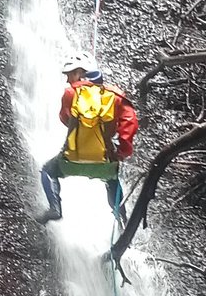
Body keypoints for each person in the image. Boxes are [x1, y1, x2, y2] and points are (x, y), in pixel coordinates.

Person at [38, 54, 139, 224]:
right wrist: (122, 152)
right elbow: (130, 123)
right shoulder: (116, 95)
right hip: (104, 160)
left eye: (69, 74)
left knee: (48, 171)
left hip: (71, 160)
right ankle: (122, 219)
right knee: (112, 179)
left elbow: (64, 118)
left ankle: (54, 208)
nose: (68, 79)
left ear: (79, 73)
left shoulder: (70, 93)